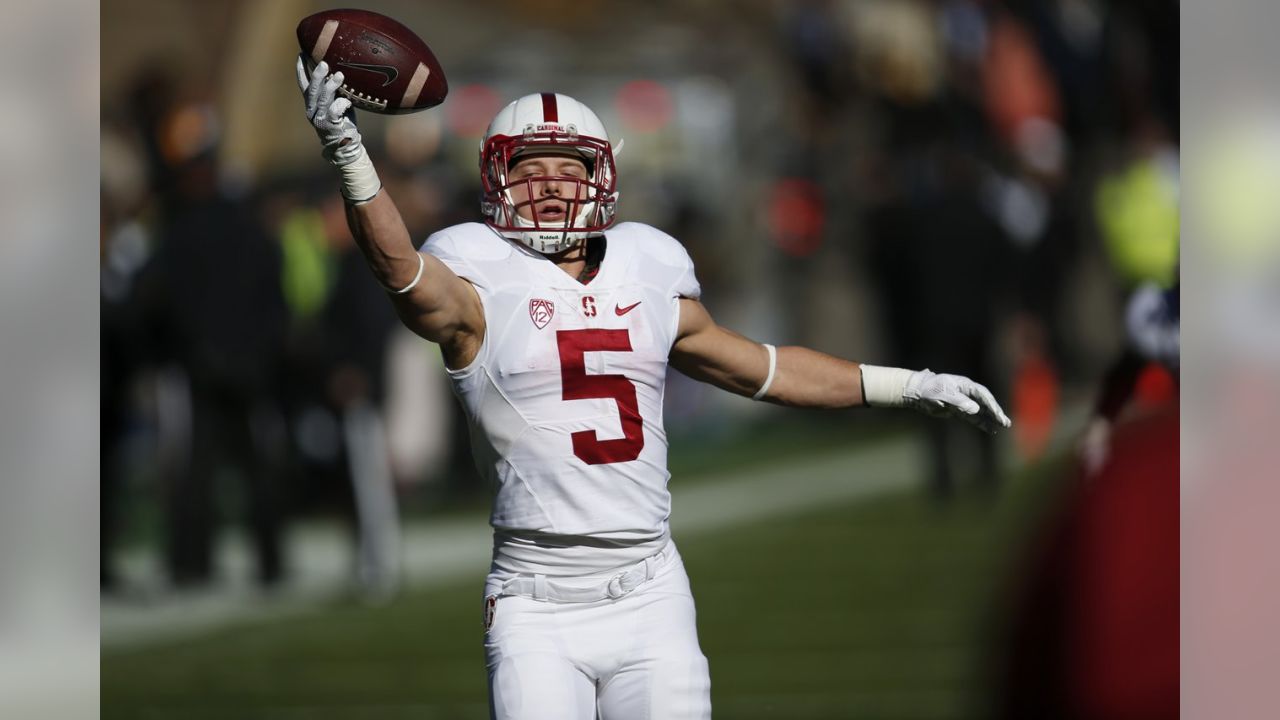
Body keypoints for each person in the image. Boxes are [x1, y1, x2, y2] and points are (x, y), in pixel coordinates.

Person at [296, 58, 1011, 719]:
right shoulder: (474, 272)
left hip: (649, 591)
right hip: (535, 600)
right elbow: (403, 275)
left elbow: (761, 367)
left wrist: (907, 385)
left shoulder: (649, 262)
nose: (548, 185)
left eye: (566, 166)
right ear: (495, 179)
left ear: (601, 175)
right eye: (529, 168)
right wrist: (350, 156)